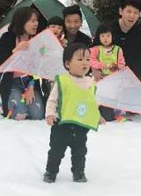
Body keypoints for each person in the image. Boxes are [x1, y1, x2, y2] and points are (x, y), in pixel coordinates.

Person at [43, 42, 102, 183]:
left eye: (87, 59)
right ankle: (51, 171)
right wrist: (50, 114)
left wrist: (98, 116)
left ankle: (79, 172)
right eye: (80, 59)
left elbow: (92, 103)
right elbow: (52, 100)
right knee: (56, 151)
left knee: (80, 152)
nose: (85, 63)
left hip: (81, 125)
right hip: (61, 124)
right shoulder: (62, 81)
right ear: (68, 63)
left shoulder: (91, 82)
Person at [0, 6, 45, 119]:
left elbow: (39, 67)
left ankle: (22, 99)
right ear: (22, 22)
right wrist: (15, 50)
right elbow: (1, 63)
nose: (36, 24)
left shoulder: (36, 40)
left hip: (29, 82)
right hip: (13, 82)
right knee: (19, 114)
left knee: (37, 115)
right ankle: (6, 100)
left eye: (36, 21)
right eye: (32, 21)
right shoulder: (7, 37)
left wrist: (32, 86)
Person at [111, 0, 141, 78]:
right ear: (121, 11)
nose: (132, 16)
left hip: (130, 77)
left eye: (136, 13)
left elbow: (140, 61)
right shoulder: (107, 29)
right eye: (129, 11)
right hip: (106, 75)